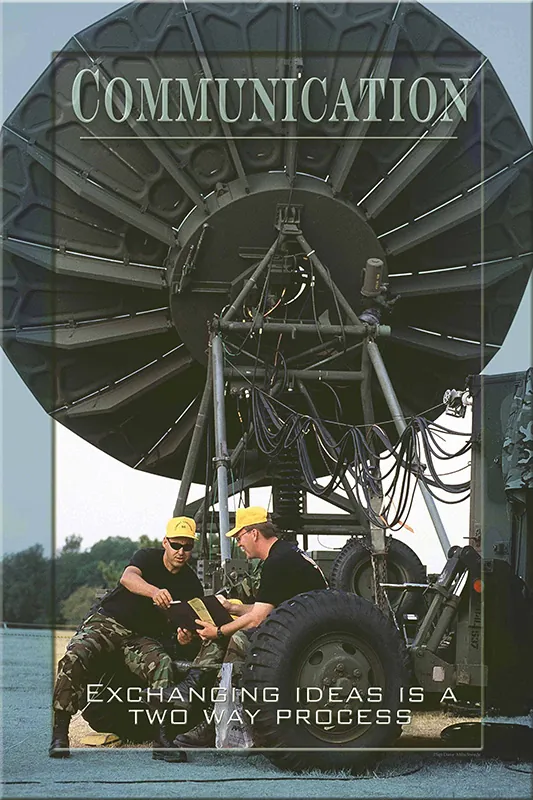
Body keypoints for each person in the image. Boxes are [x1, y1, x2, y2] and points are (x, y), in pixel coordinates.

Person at [153, 506, 328, 748]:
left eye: (239, 537)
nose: (239, 543)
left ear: (254, 533)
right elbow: (266, 610)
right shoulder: (285, 554)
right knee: (228, 632)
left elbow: (257, 619)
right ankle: (195, 690)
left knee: (236, 639)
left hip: (309, 635)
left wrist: (219, 631)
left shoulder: (277, 562)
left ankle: (214, 718)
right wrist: (232, 609)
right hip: (305, 627)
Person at [49, 516, 203, 762]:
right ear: (165, 542)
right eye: (176, 545)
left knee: (161, 665)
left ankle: (162, 738)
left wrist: (185, 637)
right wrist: (154, 591)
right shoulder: (147, 557)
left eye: (187, 547)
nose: (181, 552)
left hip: (141, 637)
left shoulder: (191, 583)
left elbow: (189, 625)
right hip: (110, 622)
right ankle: (59, 733)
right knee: (76, 655)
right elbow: (127, 578)